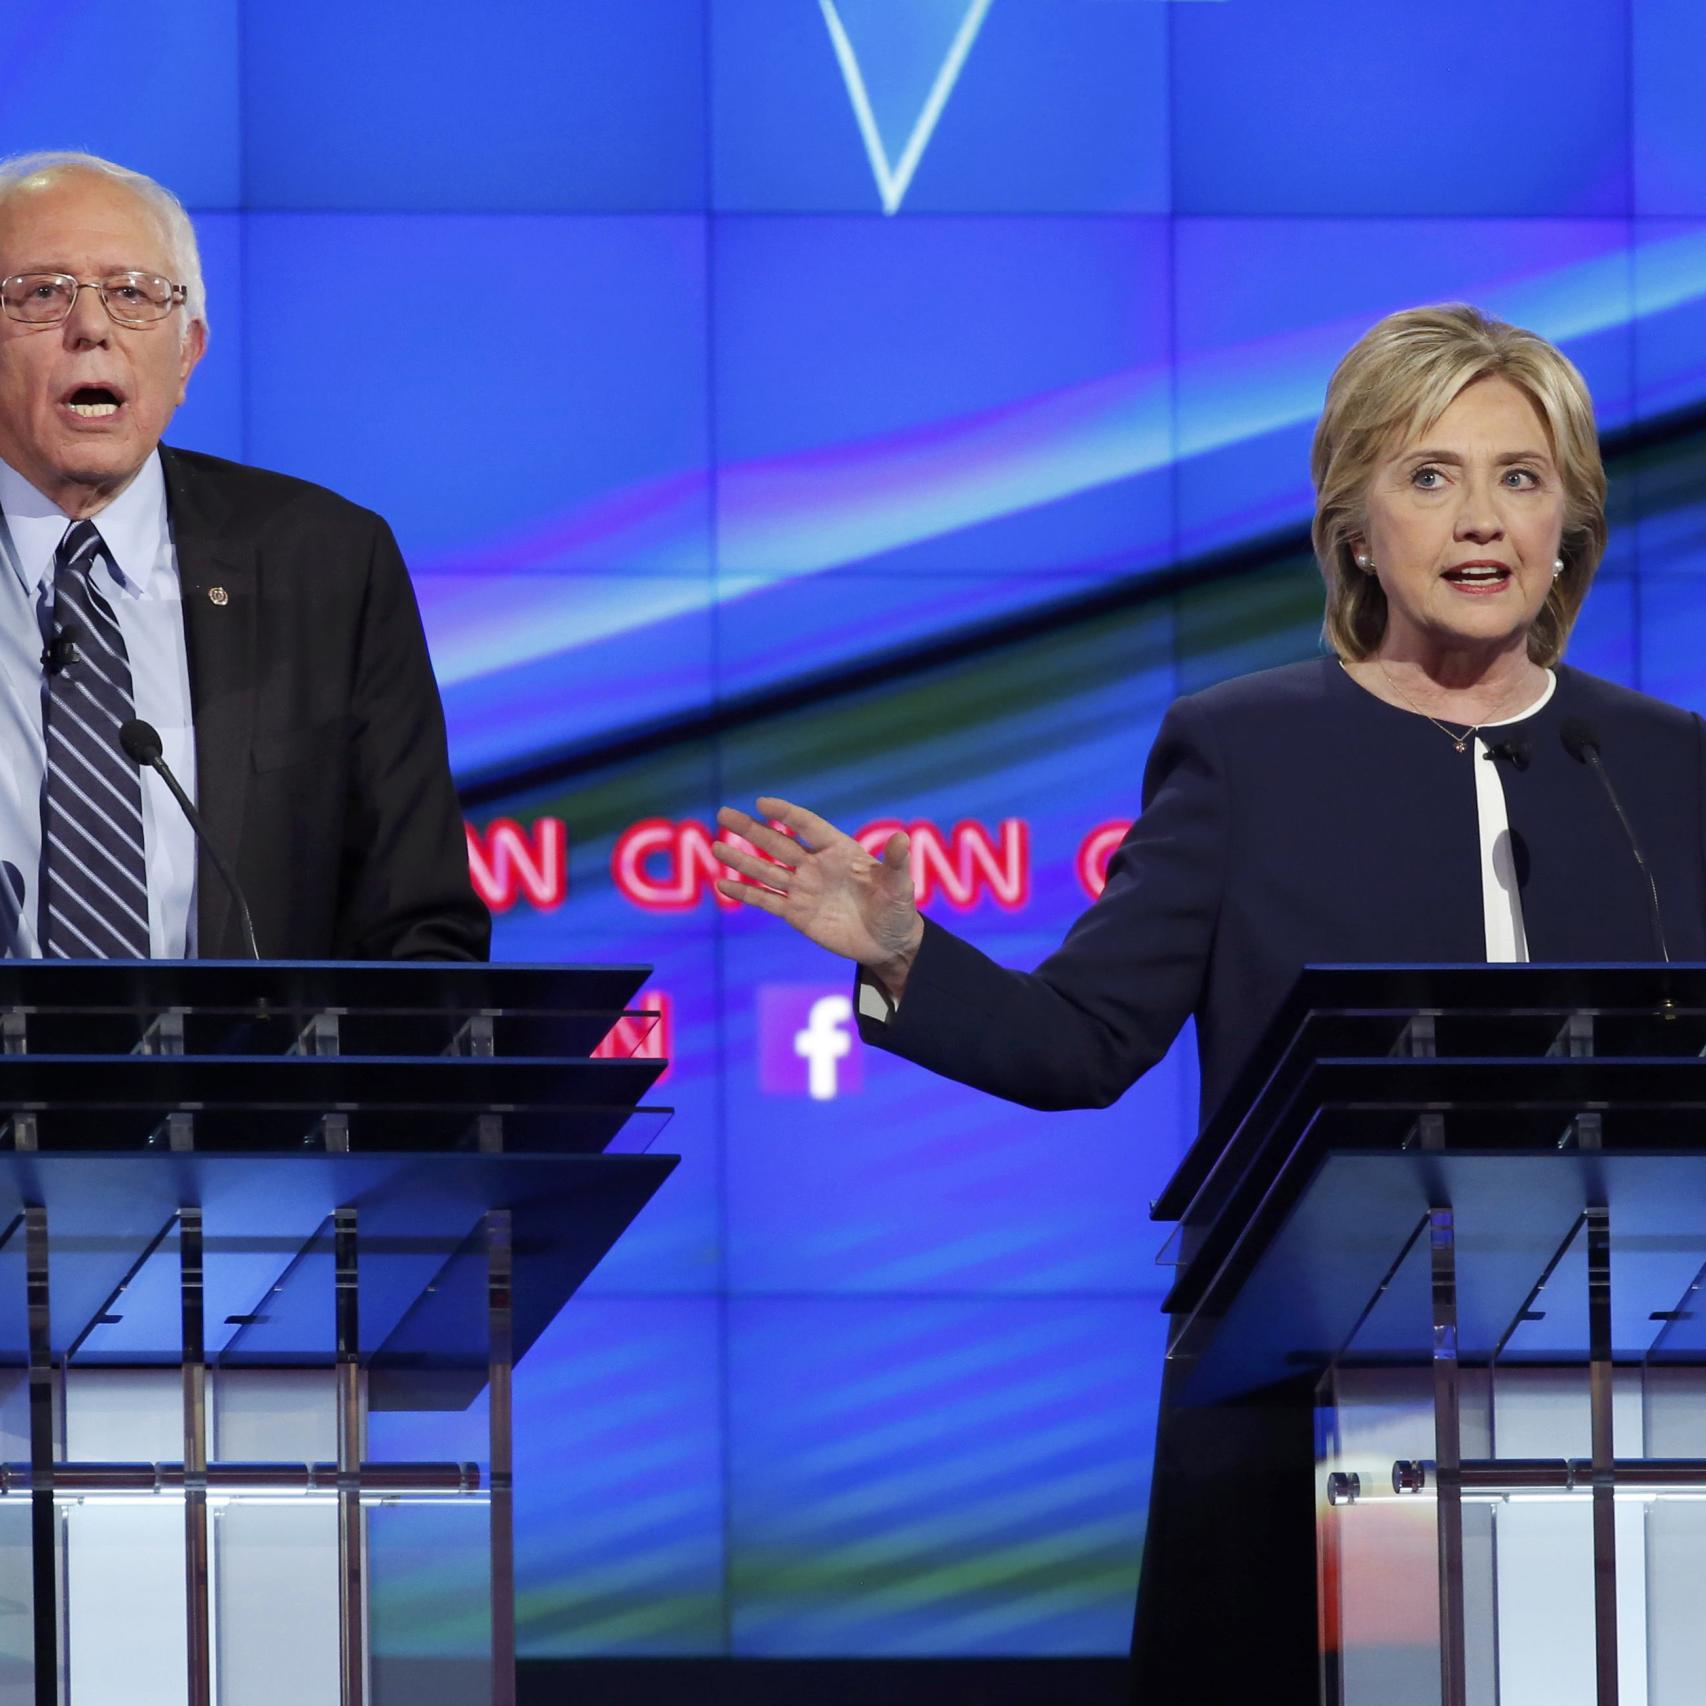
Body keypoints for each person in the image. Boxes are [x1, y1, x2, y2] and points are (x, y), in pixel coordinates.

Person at [714, 304, 1706, 1698]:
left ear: (1567, 523)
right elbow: (1082, 1039)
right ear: (1355, 526)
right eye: (1429, 475)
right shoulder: (1249, 751)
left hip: (1623, 1402)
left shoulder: (1662, 766)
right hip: (1304, 1411)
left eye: (1518, 476)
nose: (1479, 517)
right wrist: (899, 951)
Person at [0, 151, 486, 960]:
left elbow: (418, 930)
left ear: (187, 355)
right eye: (42, 293)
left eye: (132, 294)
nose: (91, 328)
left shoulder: (328, 566)